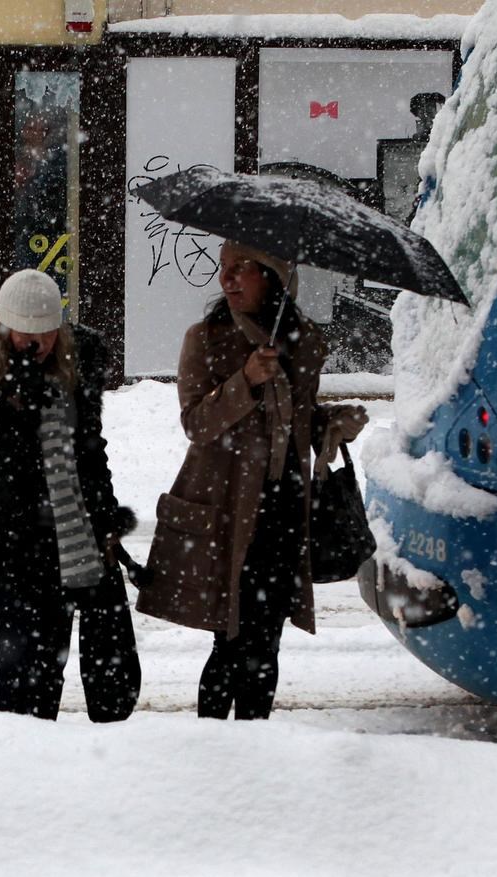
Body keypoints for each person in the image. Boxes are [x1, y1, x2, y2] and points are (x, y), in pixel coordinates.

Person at [136, 241, 368, 720]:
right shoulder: (206, 338)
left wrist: (331, 424)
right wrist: (245, 380)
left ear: (273, 277)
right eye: (224, 267)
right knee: (230, 641)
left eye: (242, 268)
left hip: (284, 512)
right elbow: (197, 424)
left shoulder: (302, 342)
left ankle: (255, 742)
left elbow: (295, 422)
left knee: (267, 643)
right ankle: (214, 745)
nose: (227, 278)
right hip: (230, 513)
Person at [0, 269, 140, 722]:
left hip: (69, 530)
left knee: (84, 664)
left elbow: (89, 448)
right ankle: (18, 754)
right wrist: (18, 405)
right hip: (6, 539)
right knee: (26, 670)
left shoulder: (82, 355)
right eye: (24, 335)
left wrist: (106, 515)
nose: (37, 343)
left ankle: (78, 753)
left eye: (47, 333)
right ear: (3, 328)